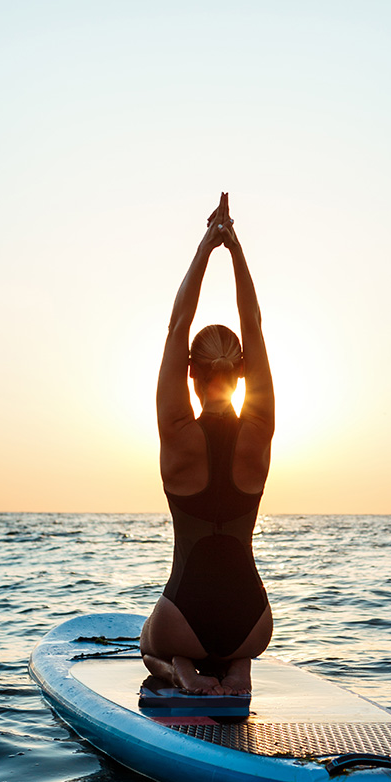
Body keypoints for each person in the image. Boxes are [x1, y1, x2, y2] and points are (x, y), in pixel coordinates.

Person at [140, 193, 275, 696]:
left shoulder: (176, 428)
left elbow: (178, 326)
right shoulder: (259, 428)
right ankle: (239, 667)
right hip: (252, 622)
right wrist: (235, 249)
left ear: (192, 373)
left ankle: (181, 668)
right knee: (236, 646)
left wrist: (206, 245)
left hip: (184, 617)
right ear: (240, 371)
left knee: (146, 643)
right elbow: (254, 327)